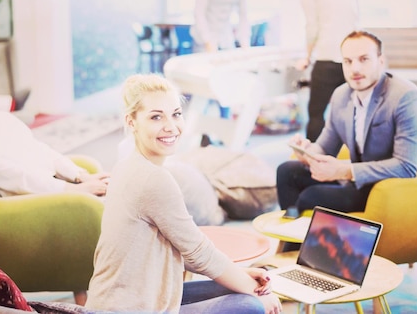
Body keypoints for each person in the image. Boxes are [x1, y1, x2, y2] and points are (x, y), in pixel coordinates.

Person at [85, 74, 281, 314]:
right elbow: (198, 252)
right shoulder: (152, 178)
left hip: (133, 298)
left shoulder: (127, 165)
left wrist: (240, 277)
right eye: (156, 116)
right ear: (132, 122)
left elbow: (183, 246)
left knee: (238, 290)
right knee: (249, 306)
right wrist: (252, 290)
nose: (171, 126)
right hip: (127, 308)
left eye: (176, 114)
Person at [276, 31, 417, 214]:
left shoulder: (406, 96)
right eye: (348, 61)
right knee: (287, 172)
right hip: (360, 180)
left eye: (363, 59)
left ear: (381, 61)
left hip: (396, 185)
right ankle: (292, 238)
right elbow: (325, 147)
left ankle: (300, 240)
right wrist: (307, 153)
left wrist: (344, 170)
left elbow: (406, 166)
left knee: (313, 196)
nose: (355, 69)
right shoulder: (341, 95)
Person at [0, 57, 109, 198]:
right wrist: (74, 189)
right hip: (29, 199)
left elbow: (40, 150)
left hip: (51, 184)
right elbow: (13, 177)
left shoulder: (3, 118)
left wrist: (80, 176)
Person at [294, 0, 360, 141]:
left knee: (316, 112)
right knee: (351, 112)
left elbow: (312, 27)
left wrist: (306, 57)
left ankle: (311, 159)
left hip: (327, 58)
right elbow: (355, 21)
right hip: (350, 59)